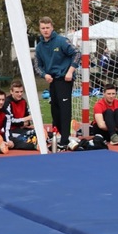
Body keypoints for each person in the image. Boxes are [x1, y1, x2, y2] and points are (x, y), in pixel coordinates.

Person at [34, 16, 79, 151]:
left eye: (48, 28)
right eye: (43, 28)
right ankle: (58, 133)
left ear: (52, 27)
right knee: (55, 109)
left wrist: (70, 72)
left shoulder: (61, 41)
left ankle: (65, 139)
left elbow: (76, 53)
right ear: (40, 29)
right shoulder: (40, 47)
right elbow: (37, 65)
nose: (45, 30)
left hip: (64, 78)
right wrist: (44, 75)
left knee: (65, 109)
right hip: (52, 80)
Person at [3, 80, 39, 150]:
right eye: (17, 92)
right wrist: (24, 120)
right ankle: (31, 144)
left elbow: (30, 118)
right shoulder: (7, 102)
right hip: (11, 130)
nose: (20, 94)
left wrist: (27, 121)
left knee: (39, 132)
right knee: (30, 134)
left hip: (21, 128)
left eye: (21, 92)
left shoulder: (23, 101)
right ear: (11, 92)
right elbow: (10, 121)